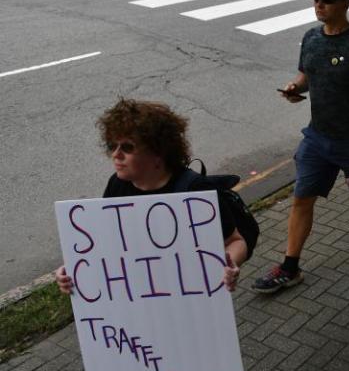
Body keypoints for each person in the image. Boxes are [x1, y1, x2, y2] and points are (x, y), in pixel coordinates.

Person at [253, 0, 349, 293]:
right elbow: (306, 75)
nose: (319, 4)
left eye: (326, 0)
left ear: (345, 4)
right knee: (302, 197)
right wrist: (294, 87)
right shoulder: (311, 37)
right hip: (318, 138)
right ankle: (290, 267)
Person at [55, 99, 250, 294]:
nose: (116, 154)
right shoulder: (117, 185)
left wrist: (229, 266)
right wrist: (73, 270)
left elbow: (236, 241)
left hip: (191, 296)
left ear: (157, 152)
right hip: (142, 299)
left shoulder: (195, 189)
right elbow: (105, 243)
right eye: (111, 145)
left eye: (127, 147)